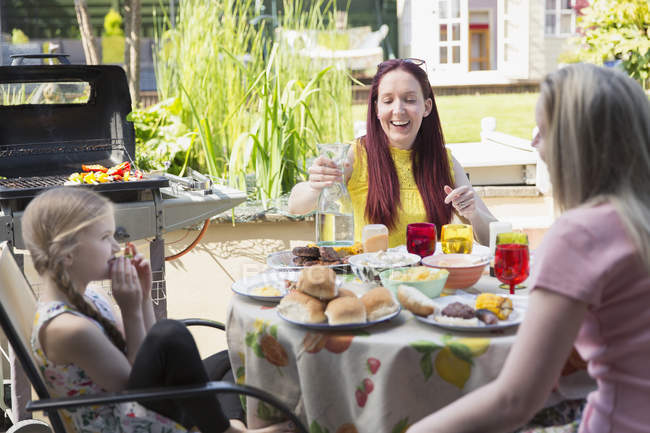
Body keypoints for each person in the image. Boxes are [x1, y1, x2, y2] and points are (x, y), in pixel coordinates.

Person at [409, 63, 650, 433]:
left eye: (544, 128)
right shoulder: (635, 222)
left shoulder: (580, 236)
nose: (534, 141)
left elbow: (513, 402)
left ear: (577, 142)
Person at [22, 187, 294, 433]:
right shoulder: (68, 329)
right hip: (125, 422)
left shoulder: (90, 296)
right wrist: (130, 309)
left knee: (232, 360)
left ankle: (225, 428)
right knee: (170, 334)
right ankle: (226, 430)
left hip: (140, 402)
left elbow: (145, 360)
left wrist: (141, 297)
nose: (116, 247)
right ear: (68, 253)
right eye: (106, 237)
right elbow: (134, 386)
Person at [288, 58, 496, 247]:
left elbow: (492, 237)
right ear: (377, 108)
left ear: (426, 106)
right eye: (388, 101)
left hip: (428, 279)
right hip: (367, 280)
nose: (398, 110)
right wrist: (315, 186)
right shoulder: (355, 155)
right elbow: (296, 205)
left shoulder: (442, 160)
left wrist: (473, 214)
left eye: (410, 99)